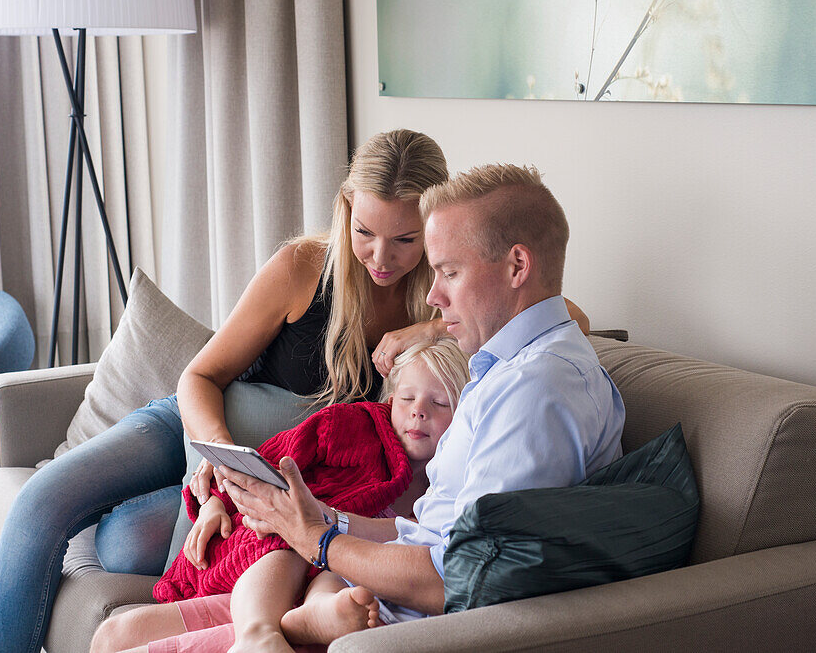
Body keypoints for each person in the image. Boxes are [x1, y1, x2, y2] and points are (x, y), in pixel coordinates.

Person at [0, 129, 455, 653]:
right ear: (346, 208)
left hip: (270, 470)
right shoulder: (302, 267)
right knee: (39, 503)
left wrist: (431, 330)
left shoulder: (442, 298)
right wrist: (220, 455)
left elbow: (560, 317)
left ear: (434, 225)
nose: (380, 256)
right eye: (365, 230)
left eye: (405, 239)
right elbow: (198, 377)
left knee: (126, 545)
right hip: (196, 429)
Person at [217, 163, 626, 647]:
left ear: (518, 266)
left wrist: (318, 541)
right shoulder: (504, 369)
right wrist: (325, 518)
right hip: (375, 599)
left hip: (397, 627)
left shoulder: (538, 391)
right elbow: (431, 532)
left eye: (450, 272)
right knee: (124, 632)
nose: (433, 296)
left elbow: (455, 576)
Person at [90, 338, 470, 653]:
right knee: (295, 529)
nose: (419, 412)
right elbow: (272, 456)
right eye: (407, 400)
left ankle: (315, 616)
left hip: (330, 577)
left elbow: (420, 544)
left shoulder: (450, 486)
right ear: (390, 401)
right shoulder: (355, 426)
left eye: (439, 404)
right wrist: (216, 500)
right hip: (271, 549)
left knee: (322, 555)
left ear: (467, 415)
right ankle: (259, 632)